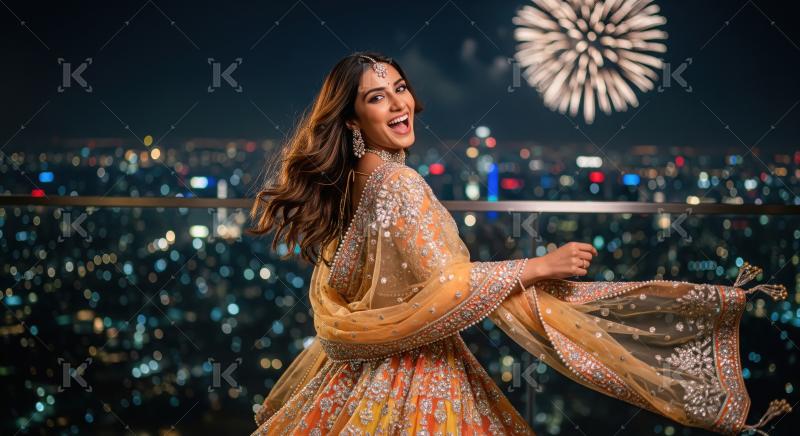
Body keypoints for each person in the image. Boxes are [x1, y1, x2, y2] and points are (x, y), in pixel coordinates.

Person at [246, 51, 791, 435]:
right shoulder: (398, 184)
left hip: (349, 376)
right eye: (377, 97)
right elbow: (449, 287)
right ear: (352, 119)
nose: (398, 103)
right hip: (415, 377)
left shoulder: (348, 186)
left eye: (401, 88)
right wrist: (535, 266)